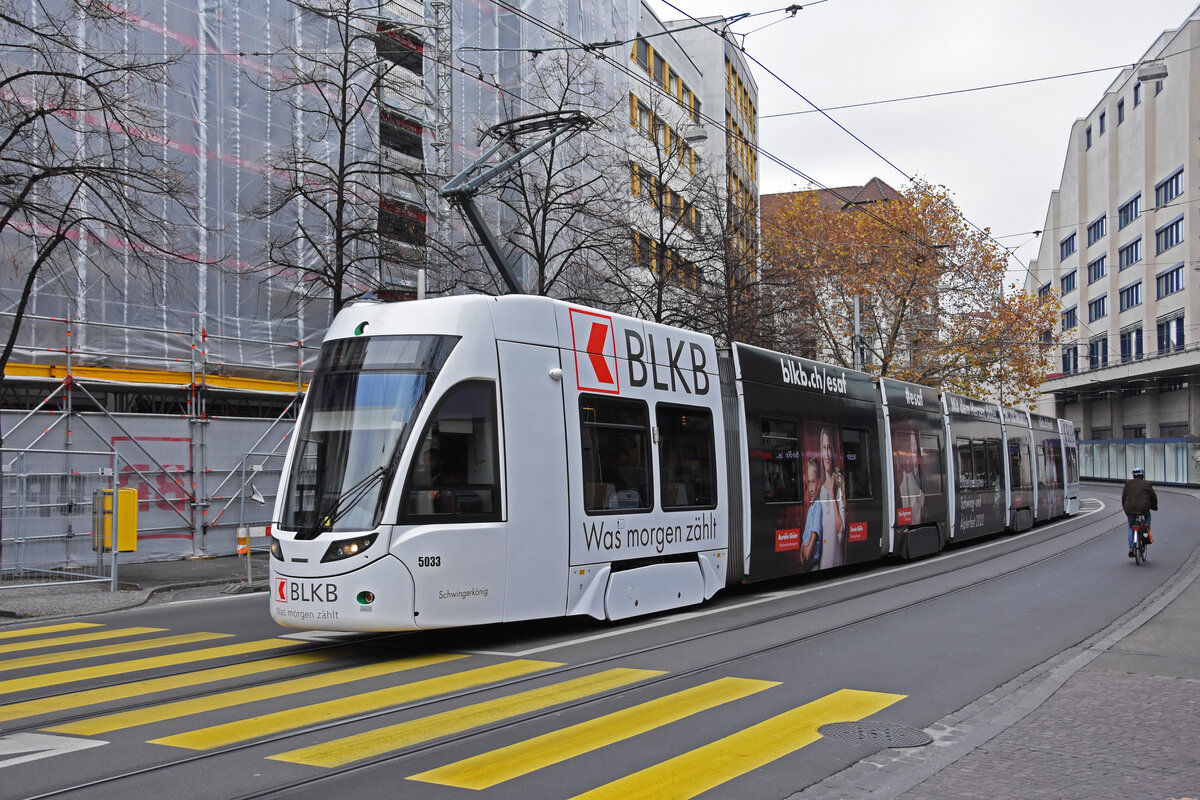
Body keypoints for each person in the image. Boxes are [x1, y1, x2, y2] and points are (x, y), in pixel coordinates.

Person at [818, 426, 846, 569]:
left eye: (829, 448)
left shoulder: (839, 483)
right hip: (823, 562)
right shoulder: (819, 488)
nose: (827, 454)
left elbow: (840, 528)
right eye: (824, 447)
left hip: (836, 559)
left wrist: (833, 497)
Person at [1121, 466, 1157, 557]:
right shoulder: (1147, 484)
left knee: (1131, 527)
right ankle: (1146, 534)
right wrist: (1154, 506)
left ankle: (1131, 548)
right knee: (1148, 517)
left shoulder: (1128, 483)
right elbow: (1153, 497)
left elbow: (1123, 497)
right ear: (1142, 475)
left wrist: (1124, 506)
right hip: (1144, 508)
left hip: (1130, 508)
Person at [801, 457, 823, 571]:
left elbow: (814, 534)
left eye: (813, 482)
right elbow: (806, 534)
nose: (810, 489)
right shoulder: (811, 508)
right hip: (807, 563)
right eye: (808, 483)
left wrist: (806, 552)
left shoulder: (818, 506)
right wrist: (802, 552)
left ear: (819, 483)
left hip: (812, 562)